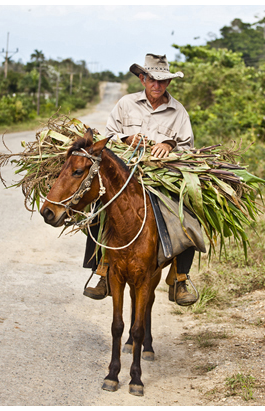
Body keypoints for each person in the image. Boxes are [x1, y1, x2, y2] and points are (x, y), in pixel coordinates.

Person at [82, 53, 198, 306]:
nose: (157, 86)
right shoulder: (125, 103)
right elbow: (107, 135)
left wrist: (168, 145)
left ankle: (180, 277)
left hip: (161, 177)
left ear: (168, 83)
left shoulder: (178, 111)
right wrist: (126, 139)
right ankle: (101, 271)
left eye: (163, 81)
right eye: (152, 80)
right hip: (124, 174)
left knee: (188, 215)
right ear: (142, 79)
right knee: (96, 212)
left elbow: (188, 147)